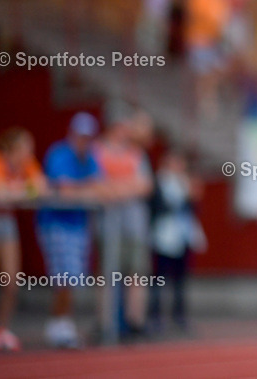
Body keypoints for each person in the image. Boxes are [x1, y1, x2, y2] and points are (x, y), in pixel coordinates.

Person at [0, 128, 47, 351]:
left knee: (11, 280)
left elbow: (41, 188)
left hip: (5, 221)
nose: (30, 151)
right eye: (26, 146)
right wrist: (24, 190)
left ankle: (3, 328)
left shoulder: (28, 164)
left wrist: (16, 190)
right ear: (13, 148)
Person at [36, 112, 106, 349]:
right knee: (64, 276)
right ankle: (59, 324)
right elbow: (63, 188)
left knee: (73, 276)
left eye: (87, 137)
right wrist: (85, 189)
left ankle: (62, 324)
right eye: (80, 136)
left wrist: (81, 190)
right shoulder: (59, 153)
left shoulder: (90, 158)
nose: (83, 141)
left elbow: (101, 187)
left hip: (78, 224)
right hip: (56, 223)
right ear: (72, 133)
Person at [94, 105, 154, 338]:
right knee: (106, 273)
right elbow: (96, 184)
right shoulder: (98, 151)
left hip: (134, 222)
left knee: (136, 272)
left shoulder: (135, 153)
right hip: (108, 220)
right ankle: (105, 322)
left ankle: (135, 322)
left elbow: (145, 185)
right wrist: (127, 187)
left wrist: (117, 189)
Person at [148, 151, 205, 333]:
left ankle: (179, 314)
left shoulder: (186, 183)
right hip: (163, 237)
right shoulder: (158, 182)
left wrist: (191, 194)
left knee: (180, 279)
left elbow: (194, 209)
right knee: (159, 278)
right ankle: (155, 315)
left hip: (183, 236)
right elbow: (156, 207)